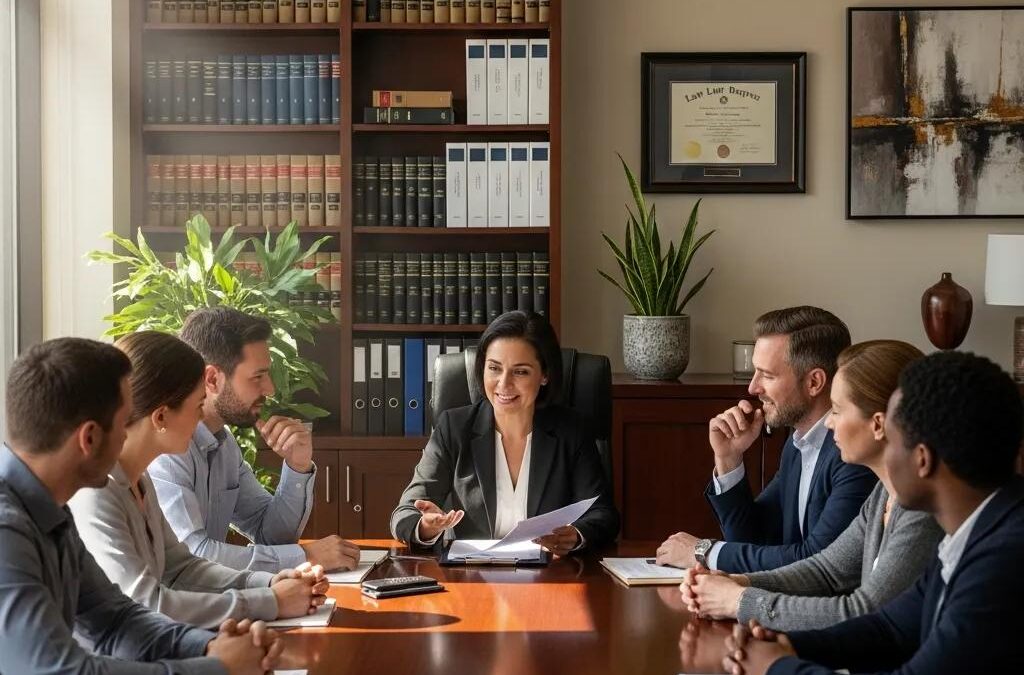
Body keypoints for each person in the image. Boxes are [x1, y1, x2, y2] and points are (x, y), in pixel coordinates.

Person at [720, 351, 1024, 675]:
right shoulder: (976, 528)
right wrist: (790, 647)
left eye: (891, 441)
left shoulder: (1002, 562)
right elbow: (890, 627)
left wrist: (775, 667)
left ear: (922, 460)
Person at [0, 337, 281, 674]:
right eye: (123, 423)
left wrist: (208, 646)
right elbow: (61, 670)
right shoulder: (7, 531)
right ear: (88, 439)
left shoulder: (50, 510)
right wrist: (217, 667)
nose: (126, 438)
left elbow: (115, 621)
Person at [69, 331, 330, 629]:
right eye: (197, 407)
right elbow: (144, 604)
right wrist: (270, 601)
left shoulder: (139, 479)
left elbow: (182, 568)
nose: (201, 423)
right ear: (161, 417)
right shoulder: (95, 492)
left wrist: (269, 582)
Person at [681, 340, 944, 630]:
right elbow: (826, 570)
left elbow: (865, 611)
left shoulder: (922, 509)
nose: (829, 423)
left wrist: (739, 600)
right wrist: (736, 582)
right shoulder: (883, 494)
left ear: (879, 425)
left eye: (837, 410)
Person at [657, 306, 877, 573]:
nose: (752, 388)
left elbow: (817, 562)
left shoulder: (853, 453)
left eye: (767, 375)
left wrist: (704, 552)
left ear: (814, 382)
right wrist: (729, 460)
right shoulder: (797, 444)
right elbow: (753, 538)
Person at [390, 311, 619, 555]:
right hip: (473, 577)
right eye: (494, 368)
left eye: (520, 371)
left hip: (550, 577)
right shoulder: (454, 428)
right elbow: (403, 514)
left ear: (544, 375)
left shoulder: (571, 431)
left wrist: (575, 535)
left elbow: (602, 514)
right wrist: (424, 526)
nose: (503, 384)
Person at [150, 307, 359, 573]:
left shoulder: (223, 444)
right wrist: (304, 556)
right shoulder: (167, 449)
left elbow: (269, 534)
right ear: (212, 379)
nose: (270, 389)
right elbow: (194, 556)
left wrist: (297, 467)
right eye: (257, 376)